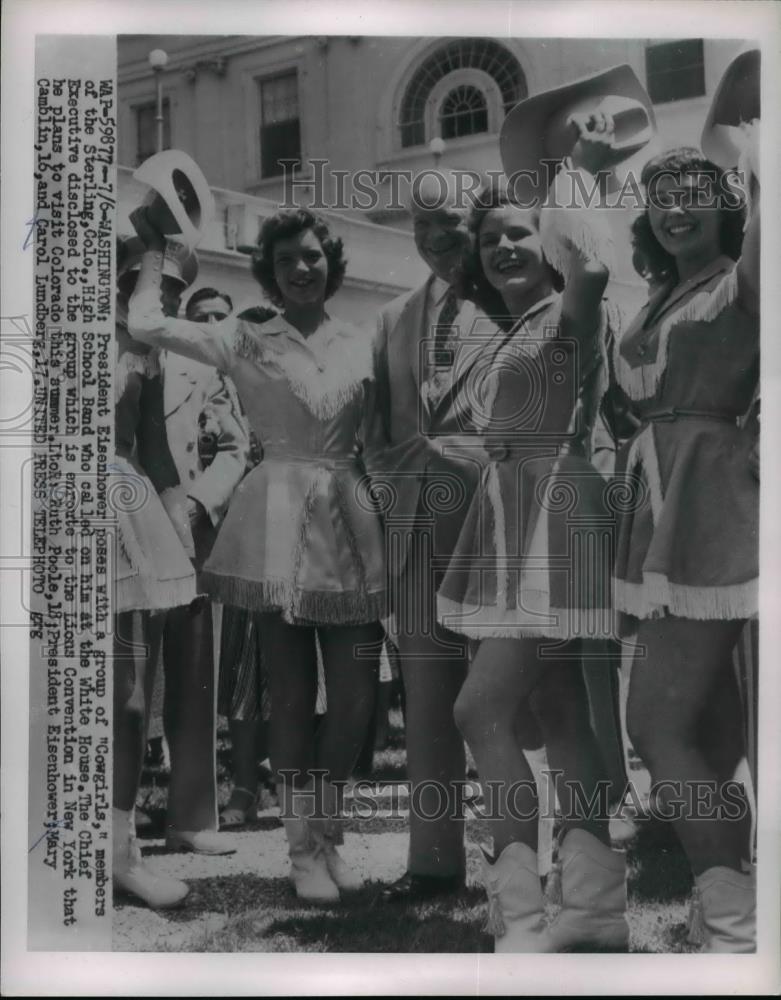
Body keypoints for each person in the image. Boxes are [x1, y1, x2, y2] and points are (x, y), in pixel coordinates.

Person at [128, 206, 385, 904]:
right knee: (292, 694)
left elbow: (385, 433)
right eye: (284, 261)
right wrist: (156, 253)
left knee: (357, 696)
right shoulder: (242, 334)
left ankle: (327, 835)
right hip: (273, 515)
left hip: (352, 516)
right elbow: (146, 325)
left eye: (311, 256)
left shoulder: (364, 340)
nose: (300, 269)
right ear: (268, 275)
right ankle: (303, 851)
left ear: (331, 262)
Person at [435, 127, 628, 952]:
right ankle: (591, 912)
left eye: (519, 232)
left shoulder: (567, 307)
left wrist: (576, 175)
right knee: (556, 709)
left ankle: (519, 914)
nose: (505, 245)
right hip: (513, 510)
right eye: (490, 239)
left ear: (545, 242)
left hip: (551, 505)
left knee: (478, 709)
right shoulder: (508, 330)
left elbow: (592, 266)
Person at [590, 122, 759, 953]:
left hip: (712, 503)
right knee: (706, 727)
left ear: (730, 208)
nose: (673, 209)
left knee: (653, 723)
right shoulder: (656, 295)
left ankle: (731, 923)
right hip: (656, 503)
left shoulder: (743, 279)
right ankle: (726, 905)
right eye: (658, 198)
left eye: (694, 195)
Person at [367, 171, 493, 903]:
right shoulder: (392, 318)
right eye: (421, 227)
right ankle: (436, 861)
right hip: (414, 528)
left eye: (449, 224)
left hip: (495, 521)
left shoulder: (513, 300)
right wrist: (394, 502)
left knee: (513, 696)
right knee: (427, 696)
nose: (436, 239)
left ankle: (523, 858)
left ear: (476, 224)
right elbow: (379, 435)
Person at [143, 279, 249, 855]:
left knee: (194, 674)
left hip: (191, 531)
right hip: (128, 528)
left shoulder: (200, 368)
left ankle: (191, 817)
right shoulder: (114, 354)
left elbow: (236, 448)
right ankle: (114, 817)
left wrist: (197, 502)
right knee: (128, 677)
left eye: (168, 290)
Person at [112, 238, 198, 907]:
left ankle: (122, 854)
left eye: (172, 290)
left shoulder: (151, 351)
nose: (164, 298)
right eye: (155, 283)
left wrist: (179, 533)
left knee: (131, 697)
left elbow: (158, 453)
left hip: (122, 504)